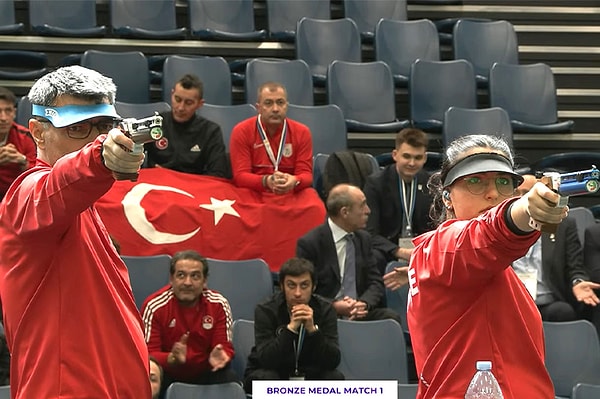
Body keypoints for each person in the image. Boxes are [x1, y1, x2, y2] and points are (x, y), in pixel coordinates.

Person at [0, 66, 150, 398]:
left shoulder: (82, 208)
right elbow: (60, 182)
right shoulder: (27, 194)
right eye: (78, 128)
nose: (96, 137)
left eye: (105, 127)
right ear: (38, 132)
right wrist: (98, 157)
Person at [406, 134, 571, 398]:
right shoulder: (441, 246)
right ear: (447, 196)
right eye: (475, 181)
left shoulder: (485, 266)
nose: (493, 193)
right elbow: (489, 231)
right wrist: (525, 210)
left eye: (503, 181)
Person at [296, 183, 401, 322]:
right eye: (362, 205)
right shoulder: (310, 243)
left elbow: (375, 282)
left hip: (359, 311)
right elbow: (304, 290)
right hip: (326, 315)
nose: (368, 210)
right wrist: (334, 306)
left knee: (390, 318)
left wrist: (364, 303)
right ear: (345, 212)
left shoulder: (364, 239)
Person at [142, 250, 238, 398]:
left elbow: (224, 346)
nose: (187, 282)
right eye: (181, 275)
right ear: (171, 279)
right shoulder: (155, 306)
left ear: (204, 281)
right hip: (168, 372)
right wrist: (171, 358)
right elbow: (147, 354)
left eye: (195, 276)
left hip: (206, 371)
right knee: (148, 378)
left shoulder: (218, 304)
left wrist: (222, 355)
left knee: (230, 379)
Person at [244, 257, 344, 393]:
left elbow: (333, 361)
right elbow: (267, 359)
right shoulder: (265, 309)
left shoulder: (326, 310)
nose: (298, 293)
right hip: (274, 372)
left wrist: (312, 330)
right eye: (291, 285)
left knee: (334, 378)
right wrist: (290, 329)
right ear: (282, 286)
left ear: (313, 286)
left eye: (304, 286)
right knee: (267, 379)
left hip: (309, 373)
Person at [513, 174, 600, 322]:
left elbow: (575, 268)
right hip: (511, 303)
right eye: (517, 193)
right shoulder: (501, 226)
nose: (522, 199)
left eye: (528, 193)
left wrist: (577, 282)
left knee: (563, 311)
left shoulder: (561, 224)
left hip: (547, 302)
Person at [364, 128, 434, 271]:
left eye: (418, 158)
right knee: (373, 256)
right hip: (387, 250)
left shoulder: (430, 184)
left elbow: (436, 227)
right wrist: (399, 251)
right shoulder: (376, 184)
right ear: (395, 155)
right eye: (406, 156)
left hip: (422, 250)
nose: (412, 163)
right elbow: (369, 232)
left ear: (425, 158)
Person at [229, 81, 313, 194]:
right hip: (255, 192)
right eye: (268, 103)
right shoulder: (242, 131)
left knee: (315, 206)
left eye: (280, 102)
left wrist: (295, 180)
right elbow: (240, 177)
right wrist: (266, 181)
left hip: (289, 192)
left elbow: (306, 174)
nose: (275, 109)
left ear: (286, 106)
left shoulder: (302, 132)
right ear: (258, 108)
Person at [144, 74, 230, 178]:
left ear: (200, 104)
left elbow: (218, 173)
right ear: (172, 94)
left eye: (188, 103)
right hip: (157, 185)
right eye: (177, 99)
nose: (181, 108)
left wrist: (175, 178)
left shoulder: (210, 131)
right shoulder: (154, 124)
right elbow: (128, 157)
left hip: (192, 189)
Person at [0, 87, 36, 200]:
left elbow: (39, 174)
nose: (3, 118)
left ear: (14, 113)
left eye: (8, 111)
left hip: (16, 199)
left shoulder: (25, 136)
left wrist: (23, 161)